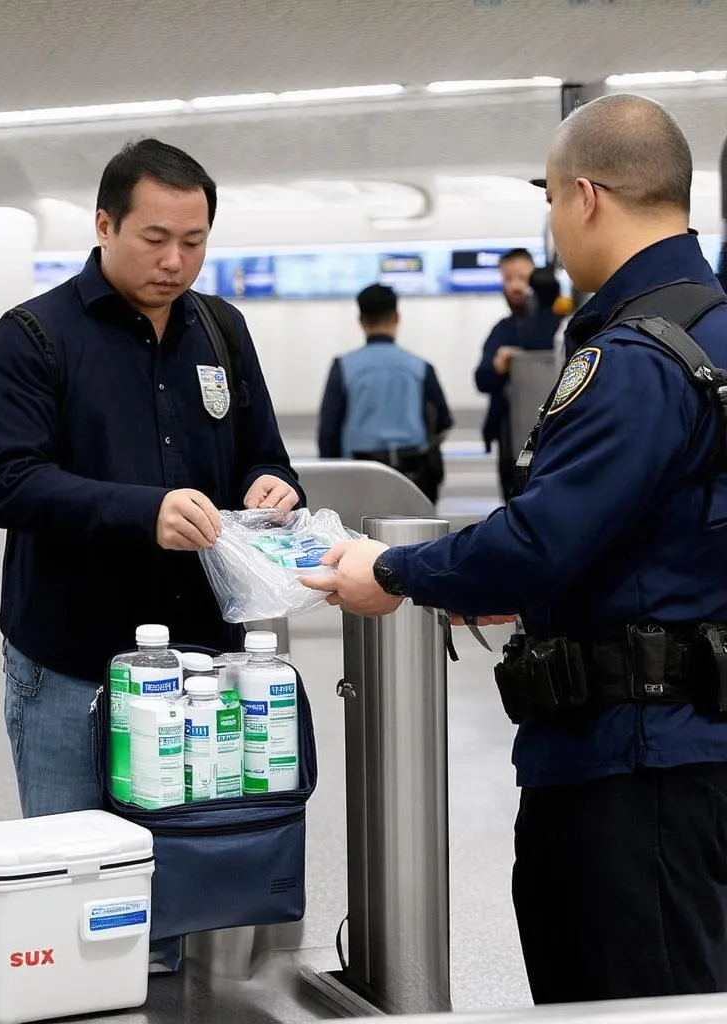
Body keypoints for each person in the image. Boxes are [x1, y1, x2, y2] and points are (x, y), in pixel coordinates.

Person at [303, 94, 727, 1005]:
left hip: (629, 762)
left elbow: (543, 538)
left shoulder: (635, 359)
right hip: (697, 744)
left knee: (626, 991)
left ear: (585, 196)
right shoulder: (714, 329)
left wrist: (392, 571)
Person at [0, 139, 302, 967]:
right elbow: (2, 482)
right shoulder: (36, 335)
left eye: (194, 241)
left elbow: (264, 451)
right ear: (104, 224)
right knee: (77, 901)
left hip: (199, 678)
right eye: (155, 239)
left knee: (180, 898)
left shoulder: (222, 329)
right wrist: (139, 511)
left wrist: (271, 486)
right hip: (73, 671)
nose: (176, 260)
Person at [317, 283, 452, 504]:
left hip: (359, 474)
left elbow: (328, 431)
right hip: (413, 473)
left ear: (362, 321)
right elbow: (443, 420)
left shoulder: (344, 367)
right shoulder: (420, 367)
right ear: (397, 317)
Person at [474, 248, 564, 502]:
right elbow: (481, 379)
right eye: (508, 278)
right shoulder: (502, 331)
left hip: (551, 434)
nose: (515, 286)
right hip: (509, 437)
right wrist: (497, 366)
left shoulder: (557, 323)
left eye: (522, 278)